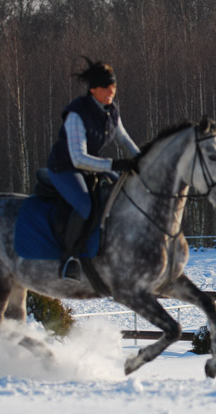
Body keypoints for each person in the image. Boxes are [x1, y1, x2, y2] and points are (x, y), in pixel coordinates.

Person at [46, 57, 140, 281]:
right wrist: (114, 164)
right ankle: (70, 259)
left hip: (91, 167)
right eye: (106, 86)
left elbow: (125, 141)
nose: (111, 90)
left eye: (114, 86)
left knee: (122, 195)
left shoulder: (111, 111)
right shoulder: (76, 114)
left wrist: (144, 163)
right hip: (66, 168)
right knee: (85, 205)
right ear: (93, 89)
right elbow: (78, 159)